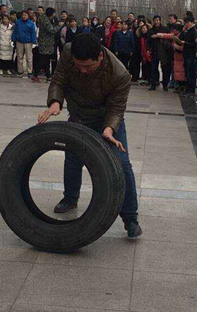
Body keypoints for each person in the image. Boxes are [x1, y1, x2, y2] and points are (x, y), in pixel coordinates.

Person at [38, 32, 141, 239]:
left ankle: (130, 217)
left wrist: (109, 129)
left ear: (100, 56)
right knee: (73, 157)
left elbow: (117, 108)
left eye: (88, 66)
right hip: (79, 115)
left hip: (106, 119)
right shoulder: (68, 52)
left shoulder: (119, 74)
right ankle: (70, 198)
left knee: (121, 163)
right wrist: (56, 101)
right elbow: (58, 79)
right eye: (79, 66)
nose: (82, 70)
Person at [175, 16, 197, 95]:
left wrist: (185, 43)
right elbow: (181, 39)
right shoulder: (186, 31)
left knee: (191, 73)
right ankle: (188, 89)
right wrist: (183, 32)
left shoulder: (194, 31)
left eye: (188, 22)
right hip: (186, 54)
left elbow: (195, 44)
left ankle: (191, 90)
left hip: (191, 55)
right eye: (185, 22)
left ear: (192, 22)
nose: (186, 24)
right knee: (187, 73)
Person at [11, 10, 37, 77]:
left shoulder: (31, 23)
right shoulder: (18, 22)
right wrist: (13, 40)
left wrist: (34, 42)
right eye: (23, 15)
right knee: (19, 57)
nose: (24, 16)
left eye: (25, 15)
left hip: (28, 42)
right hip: (19, 41)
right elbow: (15, 31)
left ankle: (30, 71)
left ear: (28, 16)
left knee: (29, 58)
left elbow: (33, 33)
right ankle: (20, 71)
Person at [36, 6, 56, 81]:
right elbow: (52, 30)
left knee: (47, 60)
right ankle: (35, 74)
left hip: (46, 42)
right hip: (45, 43)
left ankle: (48, 75)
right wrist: (59, 26)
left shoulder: (45, 19)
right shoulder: (46, 21)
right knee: (43, 60)